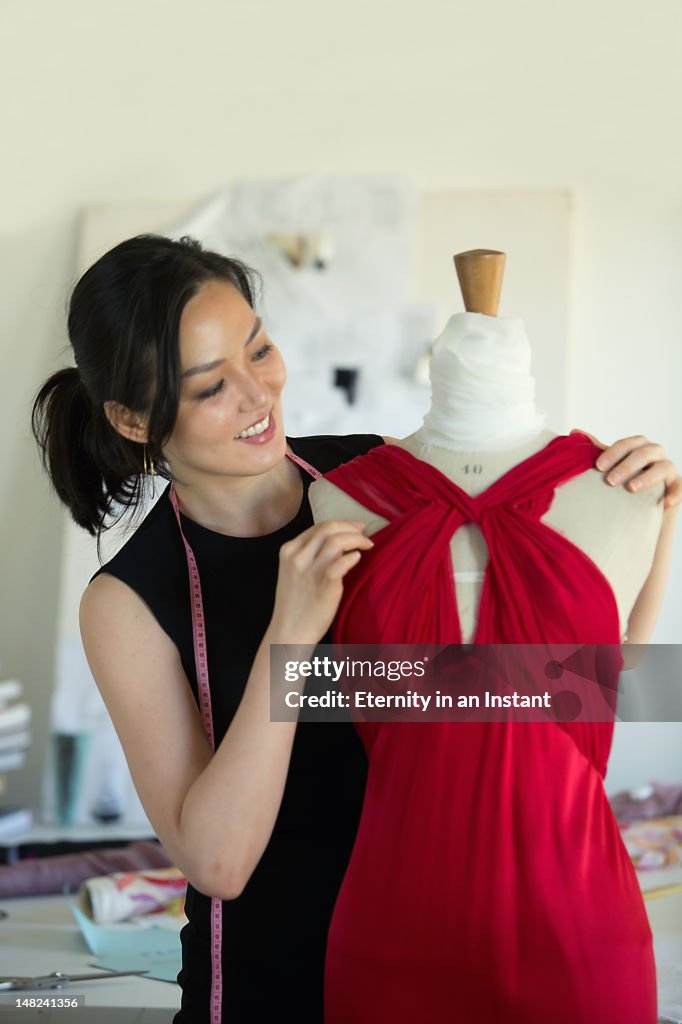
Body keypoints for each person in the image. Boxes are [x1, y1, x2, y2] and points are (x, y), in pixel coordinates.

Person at [31, 234, 680, 1023]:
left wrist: (649, 532)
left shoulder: (380, 482)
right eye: (210, 388)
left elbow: (566, 689)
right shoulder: (129, 601)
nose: (258, 393)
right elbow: (216, 861)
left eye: (259, 350)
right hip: (273, 982)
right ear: (134, 420)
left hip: (438, 953)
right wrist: (291, 635)